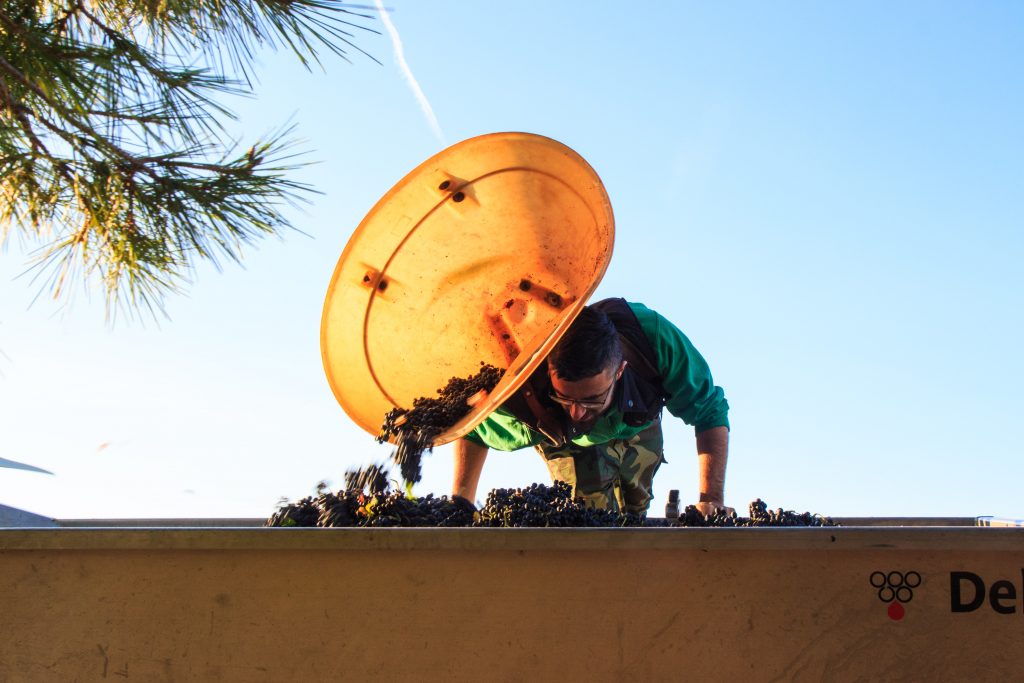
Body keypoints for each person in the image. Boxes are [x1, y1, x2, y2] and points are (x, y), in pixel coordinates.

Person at [452, 298, 730, 515]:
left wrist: (711, 499)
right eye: (566, 398)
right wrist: (461, 501)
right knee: (589, 516)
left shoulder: (653, 340)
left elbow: (709, 410)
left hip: (636, 422)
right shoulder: (529, 399)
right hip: (565, 439)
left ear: (620, 371)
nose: (576, 412)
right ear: (550, 372)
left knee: (636, 507)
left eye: (591, 399)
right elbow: (473, 427)